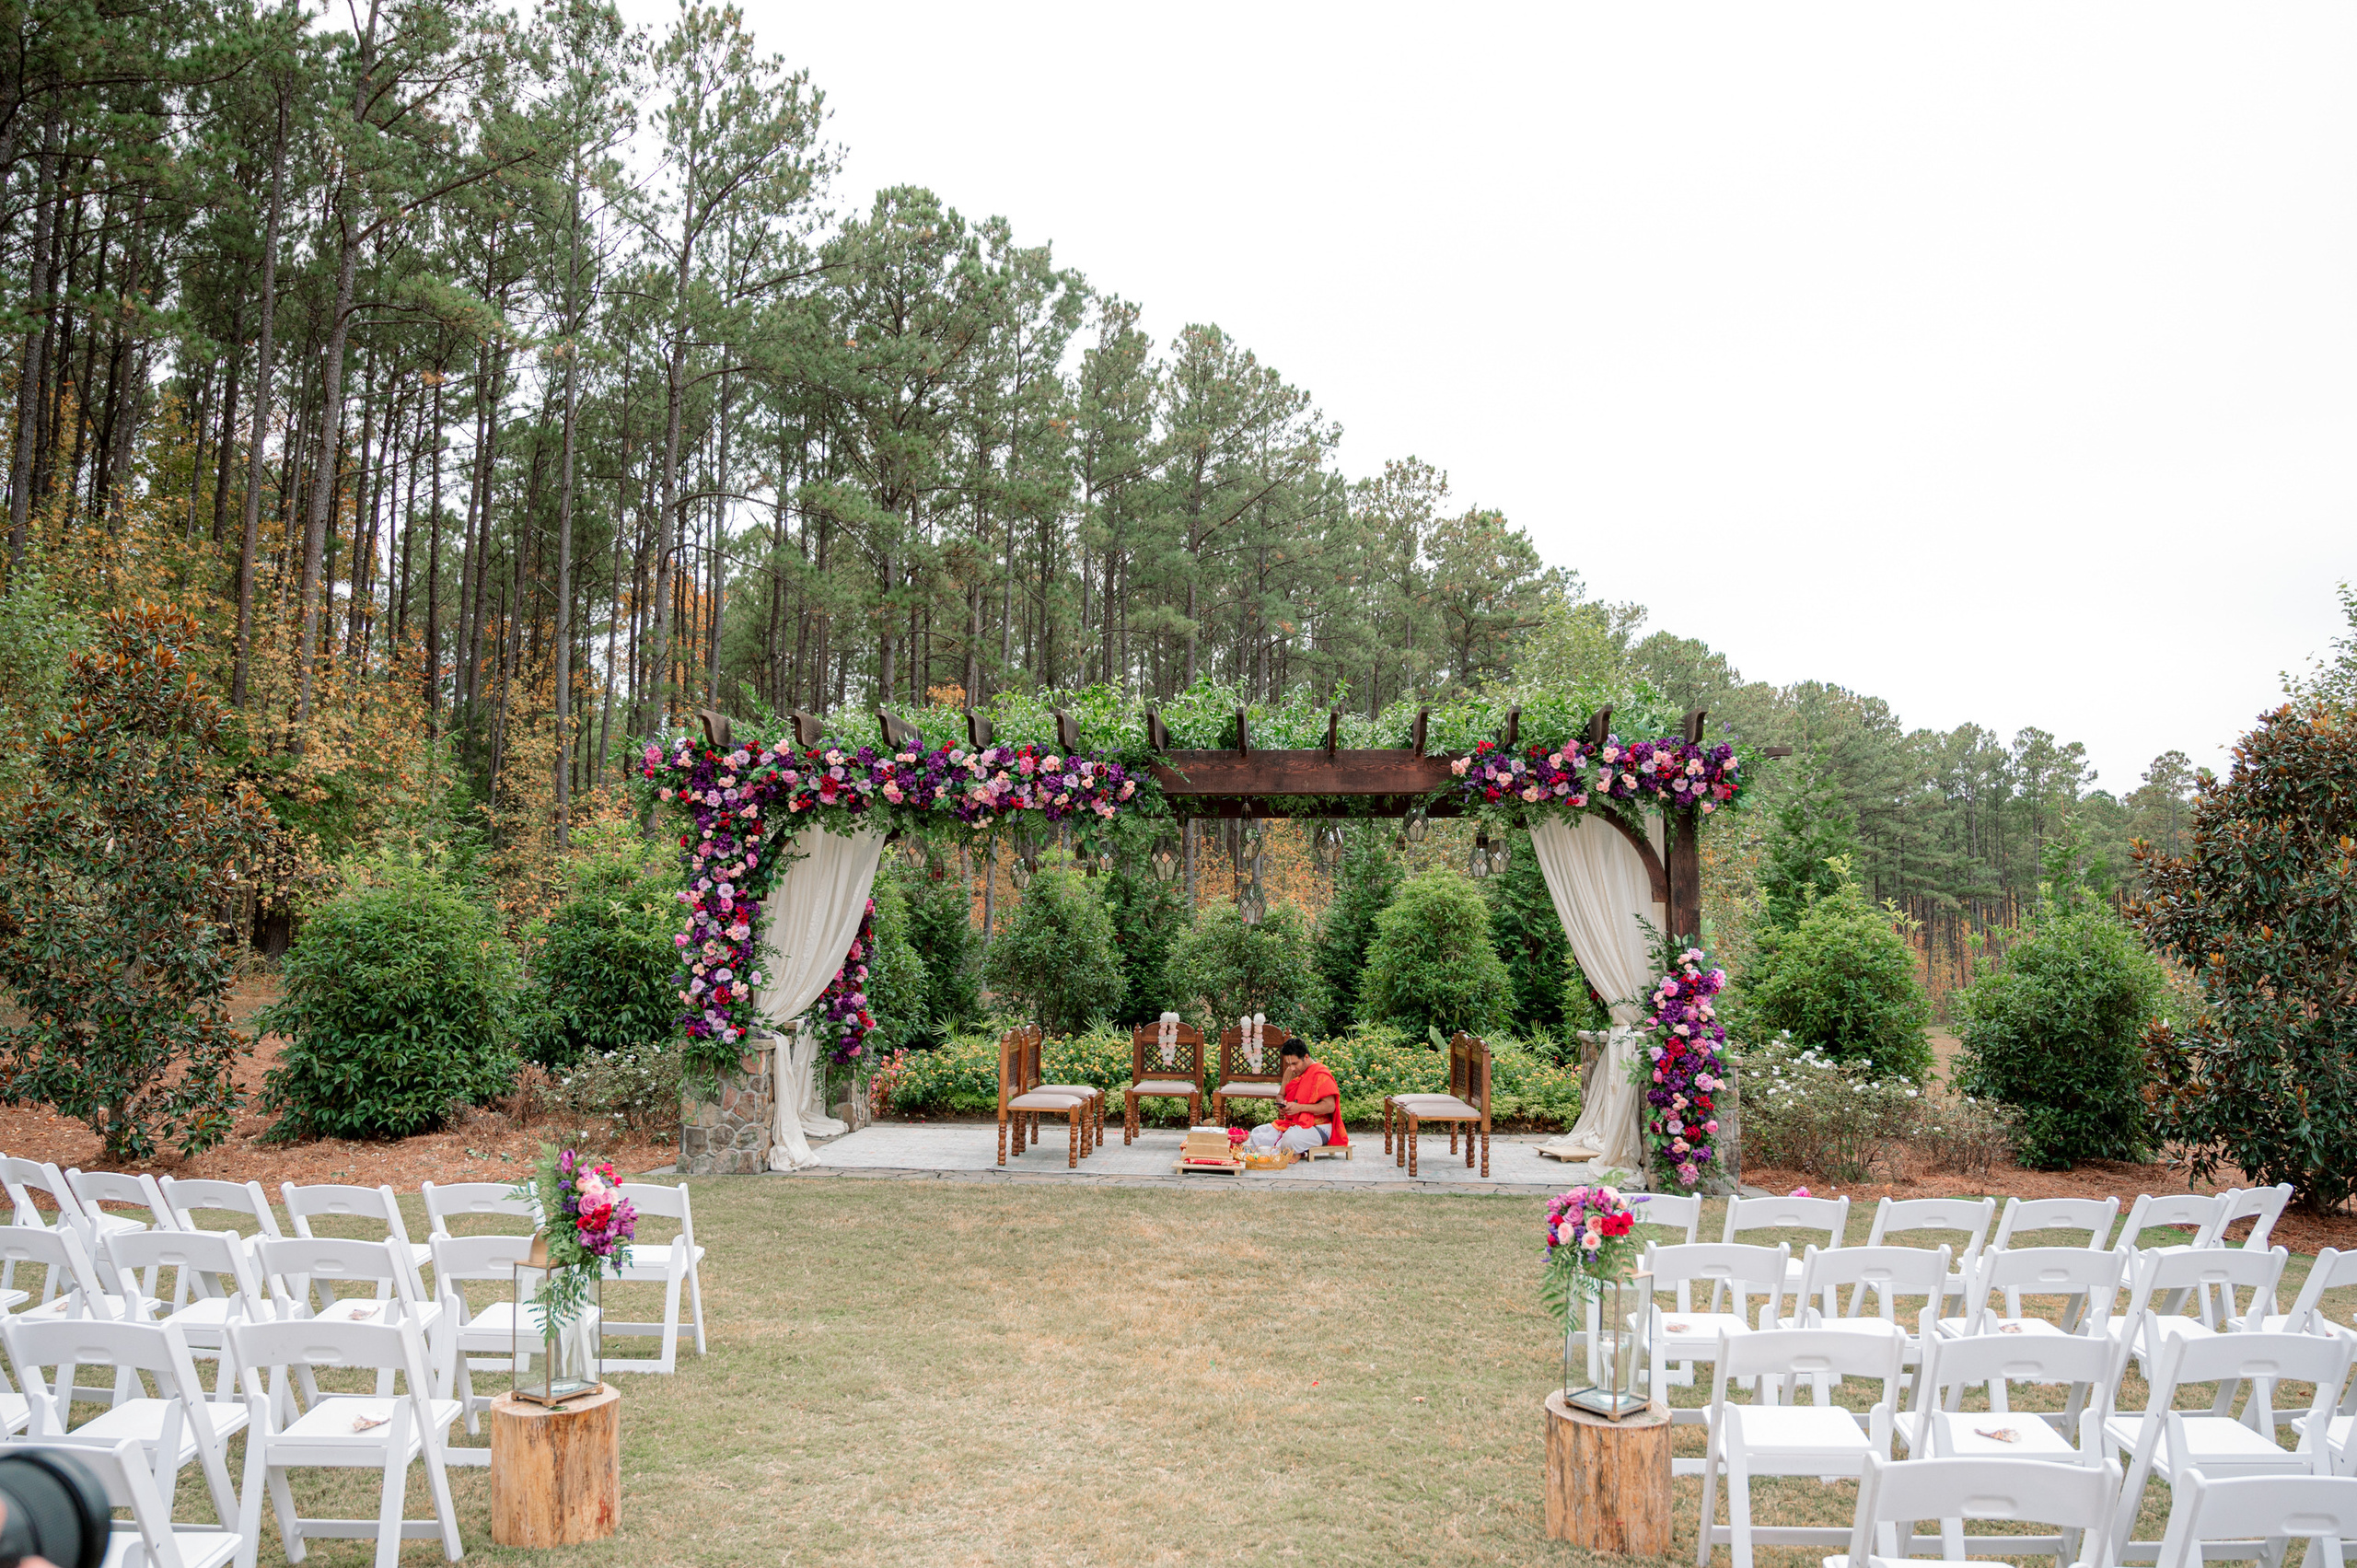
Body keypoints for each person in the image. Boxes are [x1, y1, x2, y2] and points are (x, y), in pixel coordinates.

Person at [1243, 1037, 1349, 1155]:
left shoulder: (1320, 1074)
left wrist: (1299, 1108)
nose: (1292, 1068)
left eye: (1295, 1063)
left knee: (1289, 1139)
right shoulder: (1290, 1072)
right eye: (1289, 1064)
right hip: (1293, 1124)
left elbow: (1330, 1106)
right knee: (1257, 1133)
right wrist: (1282, 1104)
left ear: (1306, 1057)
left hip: (1318, 1127)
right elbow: (1281, 1095)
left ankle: (1293, 1151)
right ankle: (1293, 1151)